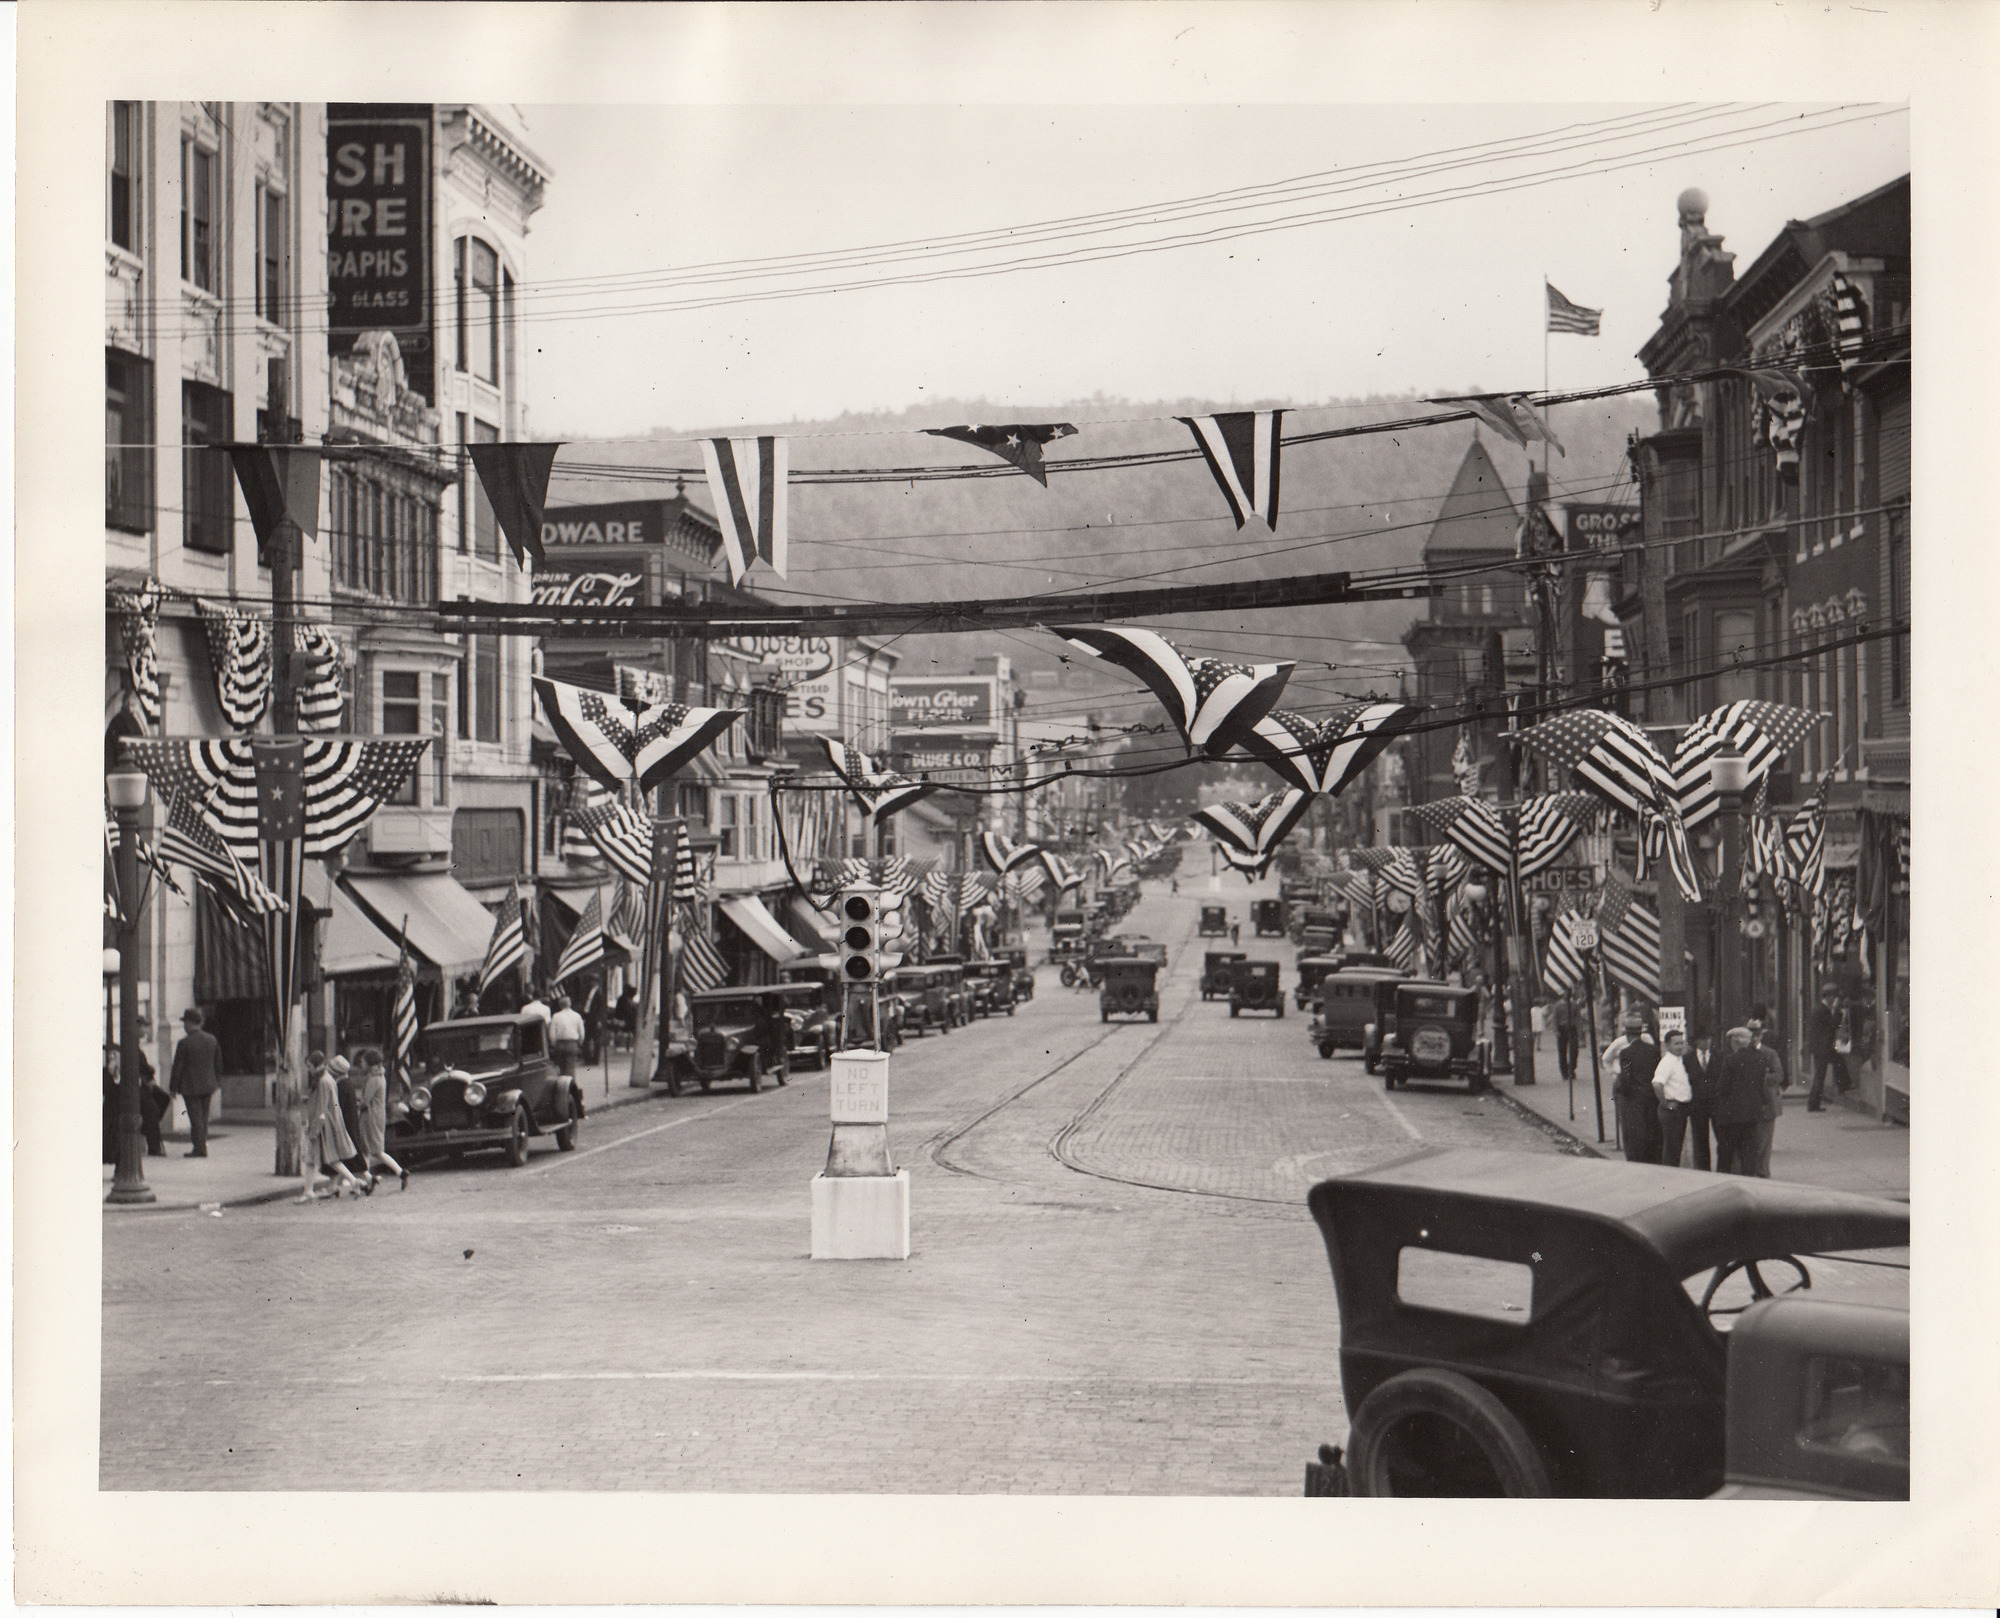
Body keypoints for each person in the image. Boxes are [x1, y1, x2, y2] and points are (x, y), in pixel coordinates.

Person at [301, 1055, 364, 1201]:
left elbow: (322, 1108)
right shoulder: (328, 1079)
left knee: (318, 1158)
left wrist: (313, 1130)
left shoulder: (323, 1081)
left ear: (317, 1066)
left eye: (310, 1066)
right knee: (327, 1158)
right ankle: (353, 1181)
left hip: (323, 1126)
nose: (309, 1070)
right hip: (327, 1124)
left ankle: (308, 1191)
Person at [1711, 1027, 1768, 1174]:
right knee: (1749, 1152)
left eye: (1731, 1040)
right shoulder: (1760, 1057)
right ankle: (1748, 1180)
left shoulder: (1731, 1059)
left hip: (1731, 1114)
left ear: (1735, 1041)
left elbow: (1723, 1087)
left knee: (1726, 1152)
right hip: (1752, 1112)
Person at [1607, 1011, 1661, 1163]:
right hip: (1652, 1098)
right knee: (1652, 1132)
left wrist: (1620, 1091)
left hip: (1634, 1100)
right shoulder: (1654, 1050)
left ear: (1627, 1034)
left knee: (1635, 1135)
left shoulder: (1626, 1053)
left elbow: (1626, 1079)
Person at [169, 1006, 222, 1157]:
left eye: (185, 1022)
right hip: (208, 1085)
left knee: (195, 1118)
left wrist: (173, 1087)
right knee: (204, 1118)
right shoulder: (212, 1040)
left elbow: (177, 1067)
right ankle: (201, 1145)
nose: (184, 1026)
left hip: (190, 1086)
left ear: (189, 1023)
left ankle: (199, 1148)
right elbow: (219, 1064)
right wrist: (216, 1081)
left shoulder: (184, 1043)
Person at [355, 1050, 408, 1191]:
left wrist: (357, 1103)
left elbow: (366, 1101)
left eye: (363, 1062)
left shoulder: (373, 1079)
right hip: (376, 1115)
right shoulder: (380, 1077)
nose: (362, 1065)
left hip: (369, 1117)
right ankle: (400, 1172)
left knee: (366, 1149)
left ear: (370, 1064)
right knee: (374, 1150)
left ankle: (369, 1180)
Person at [1746, 1015, 1789, 1178]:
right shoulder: (1743, 1053)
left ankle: (1763, 1172)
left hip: (1767, 1103)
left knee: (1764, 1141)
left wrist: (1761, 1077)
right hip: (1750, 1104)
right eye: (1750, 1033)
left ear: (1760, 1035)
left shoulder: (1770, 1054)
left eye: (1756, 1034)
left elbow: (1778, 1075)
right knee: (1752, 1140)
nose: (1753, 1037)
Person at [1652, 1028, 1694, 1167]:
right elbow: (1657, 1084)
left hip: (1682, 1108)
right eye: (1676, 1044)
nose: (1680, 1046)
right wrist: (1666, 1103)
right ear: (1667, 1045)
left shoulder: (1680, 1060)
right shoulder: (1667, 1062)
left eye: (1681, 1043)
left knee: (1677, 1147)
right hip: (1673, 1109)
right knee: (1672, 1147)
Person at [331, 1056, 373, 1186]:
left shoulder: (341, 1086)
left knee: (347, 1153)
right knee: (350, 1153)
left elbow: (338, 1107)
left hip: (345, 1124)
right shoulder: (347, 1084)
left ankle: (364, 1178)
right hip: (351, 1122)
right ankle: (367, 1177)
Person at [1806, 984, 1849, 1111]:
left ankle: (1843, 1085)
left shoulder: (1820, 1008)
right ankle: (1814, 1103)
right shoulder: (1822, 1010)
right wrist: (1838, 1011)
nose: (1834, 1000)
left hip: (1821, 1047)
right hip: (1822, 1048)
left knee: (1833, 1065)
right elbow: (1833, 1025)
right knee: (1820, 1075)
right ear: (1829, 996)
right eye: (1834, 997)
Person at [1684, 1028, 1720, 1171]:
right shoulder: (1688, 1059)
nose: (1707, 1041)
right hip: (1697, 1105)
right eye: (1704, 1038)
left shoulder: (1719, 1057)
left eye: (1709, 1038)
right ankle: (1703, 1170)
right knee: (1700, 1140)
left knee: (1721, 1138)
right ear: (1696, 1041)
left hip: (1716, 1104)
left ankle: (1722, 1169)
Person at [549, 993, 586, 1081]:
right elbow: (581, 1032)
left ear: (560, 1005)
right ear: (570, 1004)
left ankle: (562, 1086)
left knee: (561, 1068)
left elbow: (552, 1033)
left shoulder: (556, 1016)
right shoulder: (577, 1016)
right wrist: (580, 1043)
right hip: (572, 1043)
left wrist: (553, 1044)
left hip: (560, 1044)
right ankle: (570, 1087)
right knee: (571, 1068)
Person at [1548, 989, 1580, 1084]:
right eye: (1566, 992)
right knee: (1562, 1052)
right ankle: (1564, 1072)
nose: (1567, 994)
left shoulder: (1574, 1004)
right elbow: (1554, 1019)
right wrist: (1556, 1031)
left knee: (1574, 1050)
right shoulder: (1558, 1005)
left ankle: (1571, 1068)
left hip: (1572, 1029)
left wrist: (1580, 1031)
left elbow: (1578, 1017)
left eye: (1569, 992)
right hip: (1562, 1029)